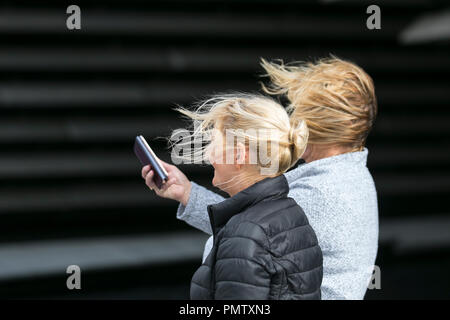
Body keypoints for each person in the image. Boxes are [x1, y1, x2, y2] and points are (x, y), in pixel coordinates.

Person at [142, 56, 379, 300]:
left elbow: (247, 233)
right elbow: (249, 226)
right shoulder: (352, 177)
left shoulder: (321, 194)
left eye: (298, 112)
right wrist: (187, 193)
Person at [174, 94, 322, 299]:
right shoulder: (292, 213)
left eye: (214, 143)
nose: (209, 156)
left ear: (238, 156)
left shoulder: (246, 234)